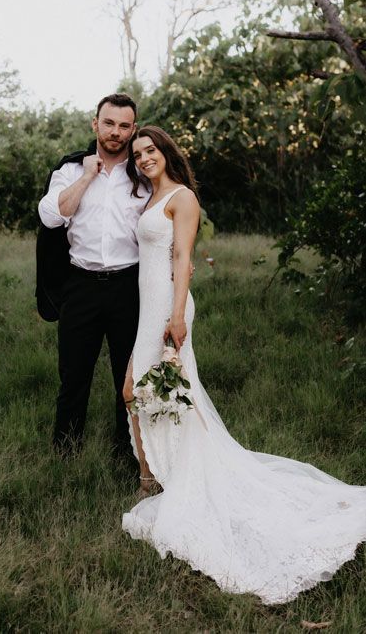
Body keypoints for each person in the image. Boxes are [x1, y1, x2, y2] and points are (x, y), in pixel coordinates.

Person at [122, 125, 366, 605]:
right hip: (147, 304)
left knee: (151, 391)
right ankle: (155, 476)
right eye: (139, 154)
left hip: (166, 309)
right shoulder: (152, 198)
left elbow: (183, 256)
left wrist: (175, 316)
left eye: (151, 150)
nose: (145, 158)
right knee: (147, 393)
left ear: (166, 152)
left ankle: (165, 479)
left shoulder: (182, 197)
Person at [38, 93, 150, 455]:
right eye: (108, 123)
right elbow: (52, 216)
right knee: (73, 375)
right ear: (95, 124)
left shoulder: (144, 176)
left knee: (128, 374)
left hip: (128, 287)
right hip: (80, 285)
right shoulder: (70, 170)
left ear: (133, 129)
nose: (115, 132)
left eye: (123, 125)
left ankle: (127, 450)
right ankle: (66, 450)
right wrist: (88, 175)